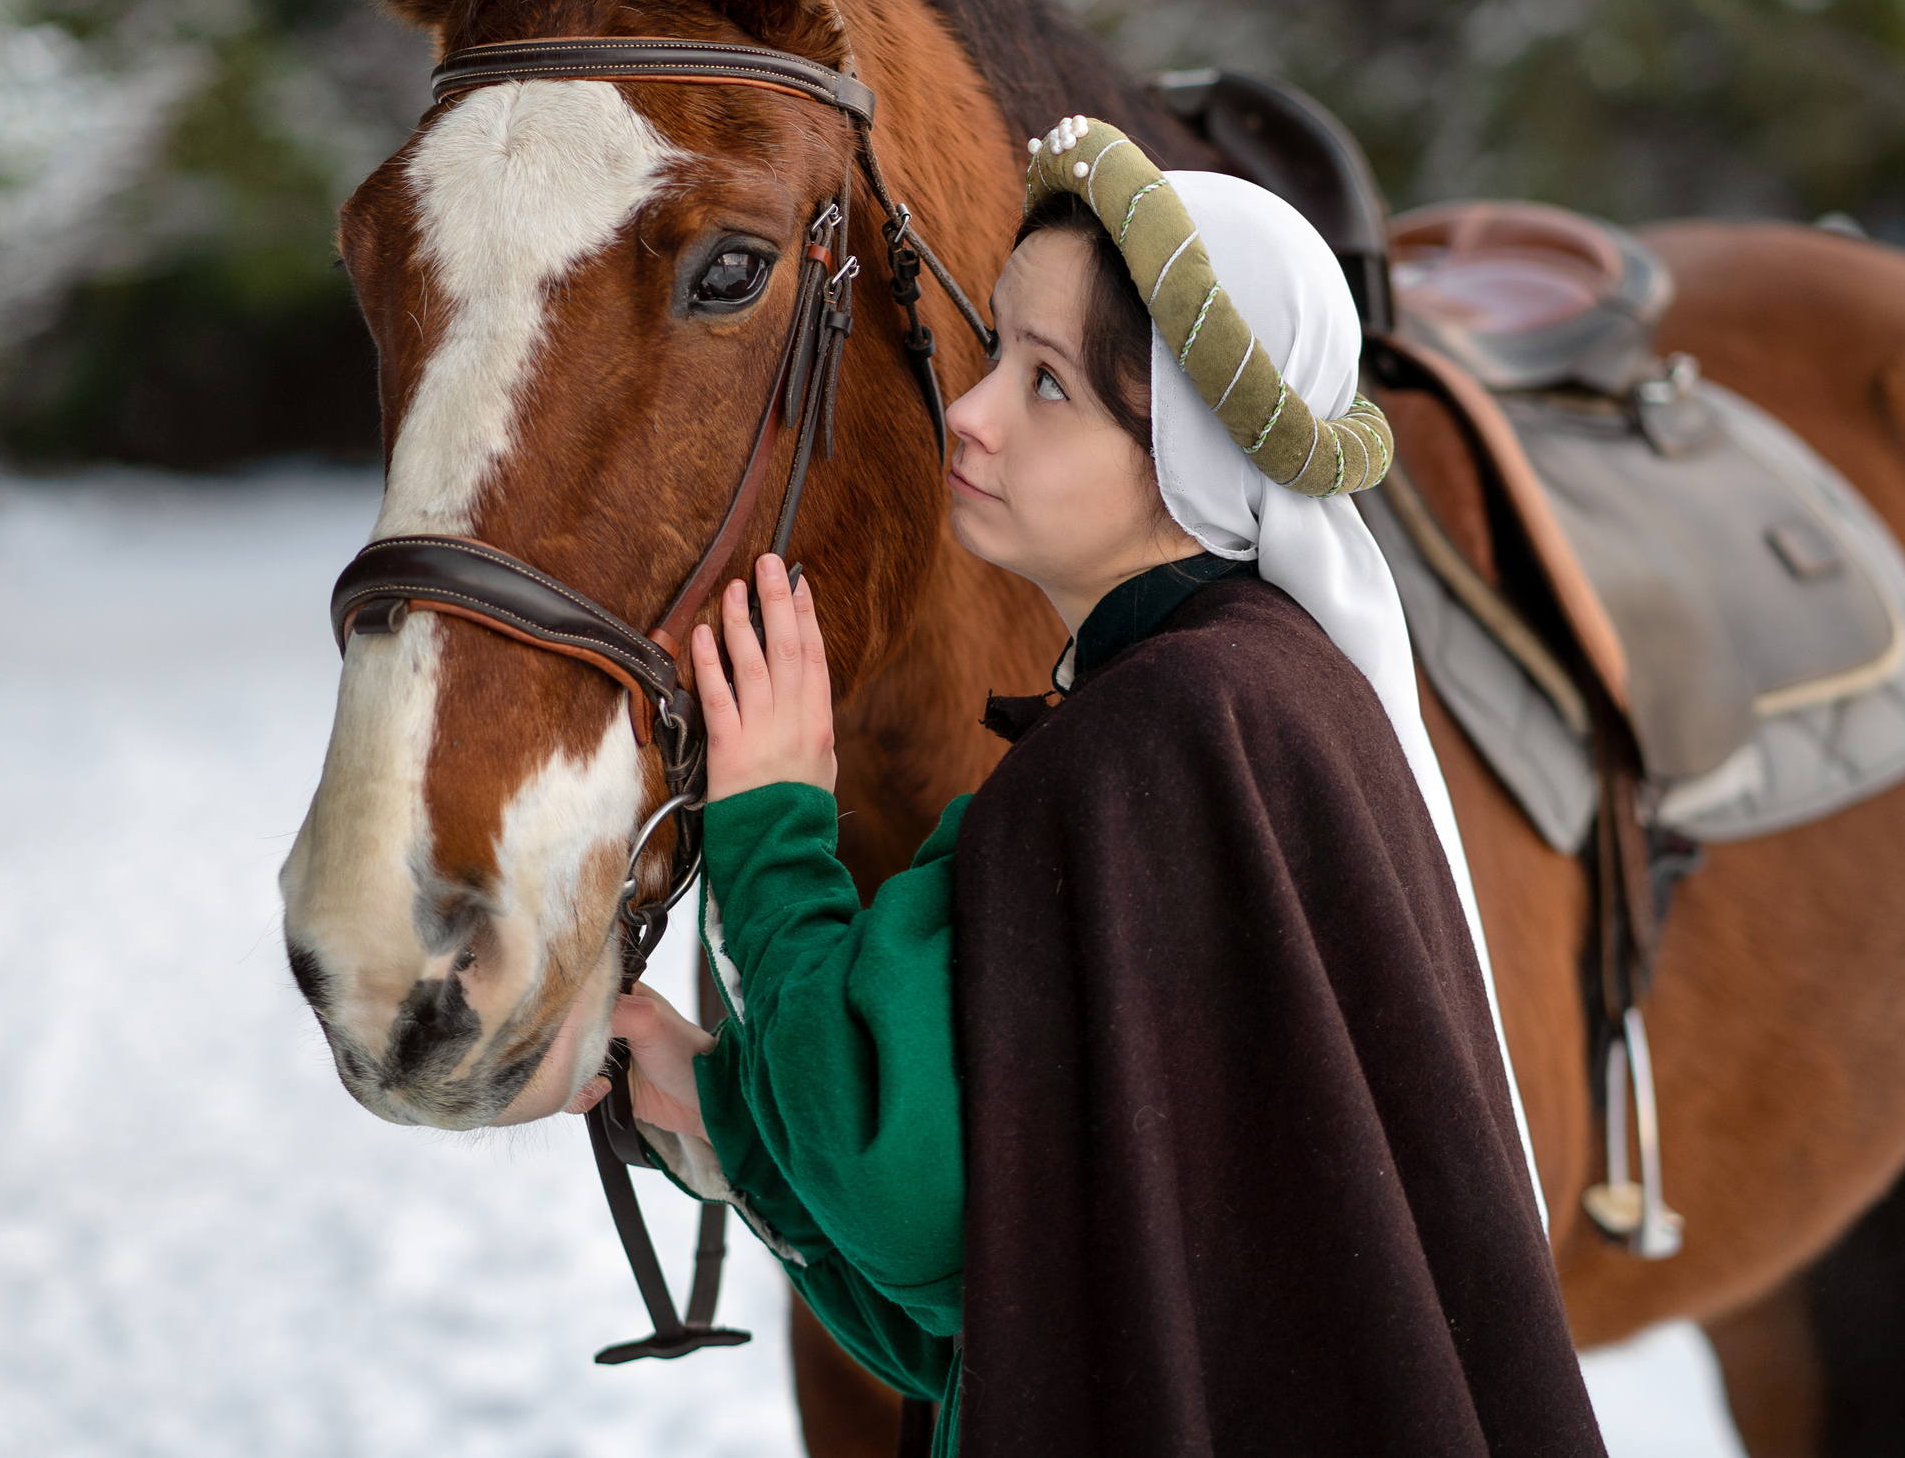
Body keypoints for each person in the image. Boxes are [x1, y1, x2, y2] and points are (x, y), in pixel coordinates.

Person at [594, 118, 1607, 1456]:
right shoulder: (1257, 700)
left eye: (1049, 383)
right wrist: (727, 1121)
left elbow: (902, 1197)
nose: (972, 409)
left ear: (1184, 445)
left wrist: (776, 824)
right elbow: (1020, 1311)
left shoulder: (1155, 743)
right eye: (997, 348)